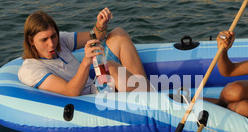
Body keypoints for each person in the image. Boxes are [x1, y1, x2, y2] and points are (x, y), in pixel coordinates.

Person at [18, 7, 151, 96]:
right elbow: (70, 92)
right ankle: (154, 99)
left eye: (53, 36)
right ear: (31, 41)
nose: (51, 44)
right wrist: (86, 62)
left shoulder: (60, 41)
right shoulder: (31, 69)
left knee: (118, 34)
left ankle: (147, 93)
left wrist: (100, 25)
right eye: (44, 40)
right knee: (109, 66)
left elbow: (95, 36)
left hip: (96, 85)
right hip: (90, 98)